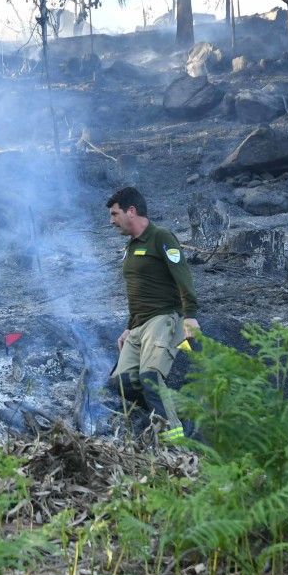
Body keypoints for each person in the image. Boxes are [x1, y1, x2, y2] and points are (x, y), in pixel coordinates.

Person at [105, 186, 200, 442]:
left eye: (115, 214)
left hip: (164, 318)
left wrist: (189, 316)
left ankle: (175, 440)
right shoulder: (131, 247)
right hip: (139, 326)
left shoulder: (161, 238)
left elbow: (183, 277)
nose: (112, 221)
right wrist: (129, 327)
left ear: (131, 211)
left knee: (150, 377)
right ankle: (180, 411)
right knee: (120, 382)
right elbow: (138, 294)